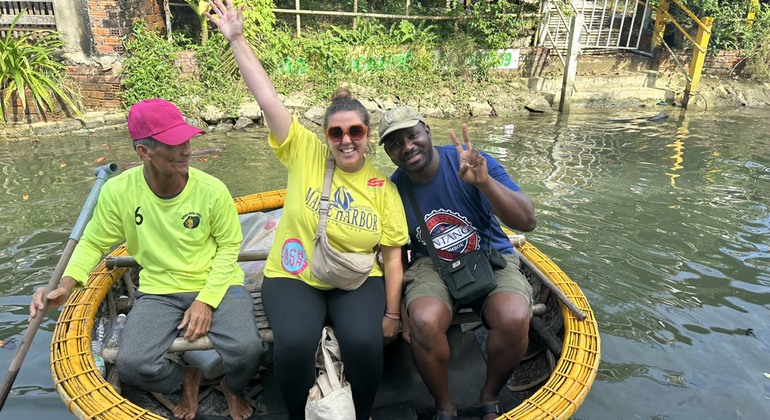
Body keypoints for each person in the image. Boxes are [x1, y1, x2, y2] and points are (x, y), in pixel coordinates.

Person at [206, 1, 409, 419]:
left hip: (357, 278)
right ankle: (296, 414)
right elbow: (267, 97)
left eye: (356, 131)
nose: (346, 139)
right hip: (295, 273)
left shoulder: (382, 188)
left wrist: (392, 313)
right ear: (326, 135)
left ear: (368, 135)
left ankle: (363, 412)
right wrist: (237, 39)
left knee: (366, 344)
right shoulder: (304, 153)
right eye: (337, 132)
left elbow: (391, 258)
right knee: (295, 342)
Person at [29, 98, 266, 420]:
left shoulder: (212, 190)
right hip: (159, 290)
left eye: (186, 140)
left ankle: (232, 387)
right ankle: (184, 378)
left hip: (219, 283)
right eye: (173, 143)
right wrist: (66, 286)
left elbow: (228, 248)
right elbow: (92, 242)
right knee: (132, 364)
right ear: (144, 151)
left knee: (248, 350)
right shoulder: (119, 192)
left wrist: (206, 301)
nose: (185, 150)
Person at [378, 106, 537, 420]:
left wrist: (484, 183)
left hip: (489, 253)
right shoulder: (392, 190)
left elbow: (527, 221)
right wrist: (401, 311)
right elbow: (396, 255)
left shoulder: (472, 161)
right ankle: (444, 405)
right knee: (423, 320)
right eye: (396, 144)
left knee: (515, 315)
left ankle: (489, 396)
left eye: (412, 136)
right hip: (431, 265)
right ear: (389, 153)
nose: (407, 147)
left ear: (427, 131)